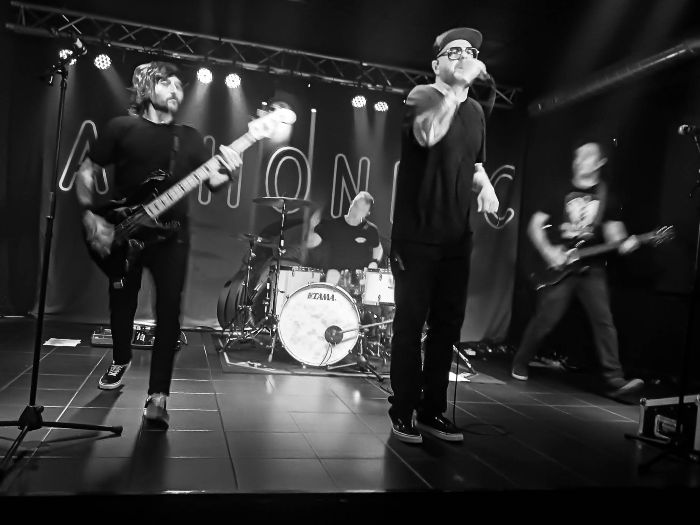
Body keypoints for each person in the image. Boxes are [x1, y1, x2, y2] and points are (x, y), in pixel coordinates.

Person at [75, 61, 242, 429]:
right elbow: (86, 171)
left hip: (172, 236)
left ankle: (158, 396)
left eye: (180, 86)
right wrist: (89, 215)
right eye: (167, 83)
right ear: (146, 87)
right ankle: (121, 358)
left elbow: (214, 182)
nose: (176, 90)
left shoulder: (190, 138)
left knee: (169, 313)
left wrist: (230, 168)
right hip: (126, 231)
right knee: (122, 301)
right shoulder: (121, 128)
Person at [389, 27, 499, 444]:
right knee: (410, 324)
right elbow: (428, 135)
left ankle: (432, 409)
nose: (464, 55)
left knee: (447, 328)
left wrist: (485, 186)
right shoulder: (422, 95)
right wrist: (456, 91)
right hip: (417, 235)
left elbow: (474, 164)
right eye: (454, 51)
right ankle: (402, 410)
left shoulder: (476, 113)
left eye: (470, 51)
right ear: (436, 64)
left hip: (456, 236)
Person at [511, 140, 644, 399]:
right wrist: (548, 251)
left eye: (586, 156)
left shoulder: (607, 196)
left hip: (591, 268)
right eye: (577, 156)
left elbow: (615, 235)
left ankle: (615, 380)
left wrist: (627, 244)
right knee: (545, 320)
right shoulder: (559, 190)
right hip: (559, 267)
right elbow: (534, 225)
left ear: (600, 162)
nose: (579, 160)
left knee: (604, 322)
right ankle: (520, 360)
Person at [306, 191, 383, 286]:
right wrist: (311, 227)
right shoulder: (334, 225)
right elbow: (311, 242)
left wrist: (374, 262)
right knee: (332, 275)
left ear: (367, 213)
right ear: (351, 203)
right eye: (356, 206)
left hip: (360, 277)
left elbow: (378, 248)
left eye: (362, 210)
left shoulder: (370, 229)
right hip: (335, 274)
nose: (356, 211)